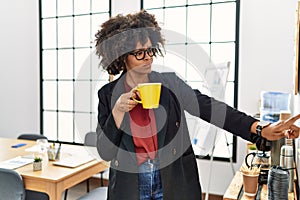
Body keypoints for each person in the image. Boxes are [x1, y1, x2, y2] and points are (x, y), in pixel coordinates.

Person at [94, 10, 300, 200]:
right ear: (122, 56)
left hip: (172, 180)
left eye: (150, 50)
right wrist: (118, 111)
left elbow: (211, 108)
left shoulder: (169, 84)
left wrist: (260, 128)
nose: (148, 58)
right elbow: (105, 152)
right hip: (130, 185)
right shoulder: (108, 95)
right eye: (139, 53)